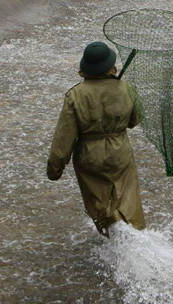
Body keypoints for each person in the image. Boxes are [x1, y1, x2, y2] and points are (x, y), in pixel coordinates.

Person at [46, 41, 147, 237]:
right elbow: (135, 120)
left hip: (89, 156)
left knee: (100, 206)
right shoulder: (127, 88)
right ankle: (135, 240)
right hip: (120, 152)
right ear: (110, 65)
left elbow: (64, 138)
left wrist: (54, 169)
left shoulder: (75, 95)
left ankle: (110, 244)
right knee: (127, 200)